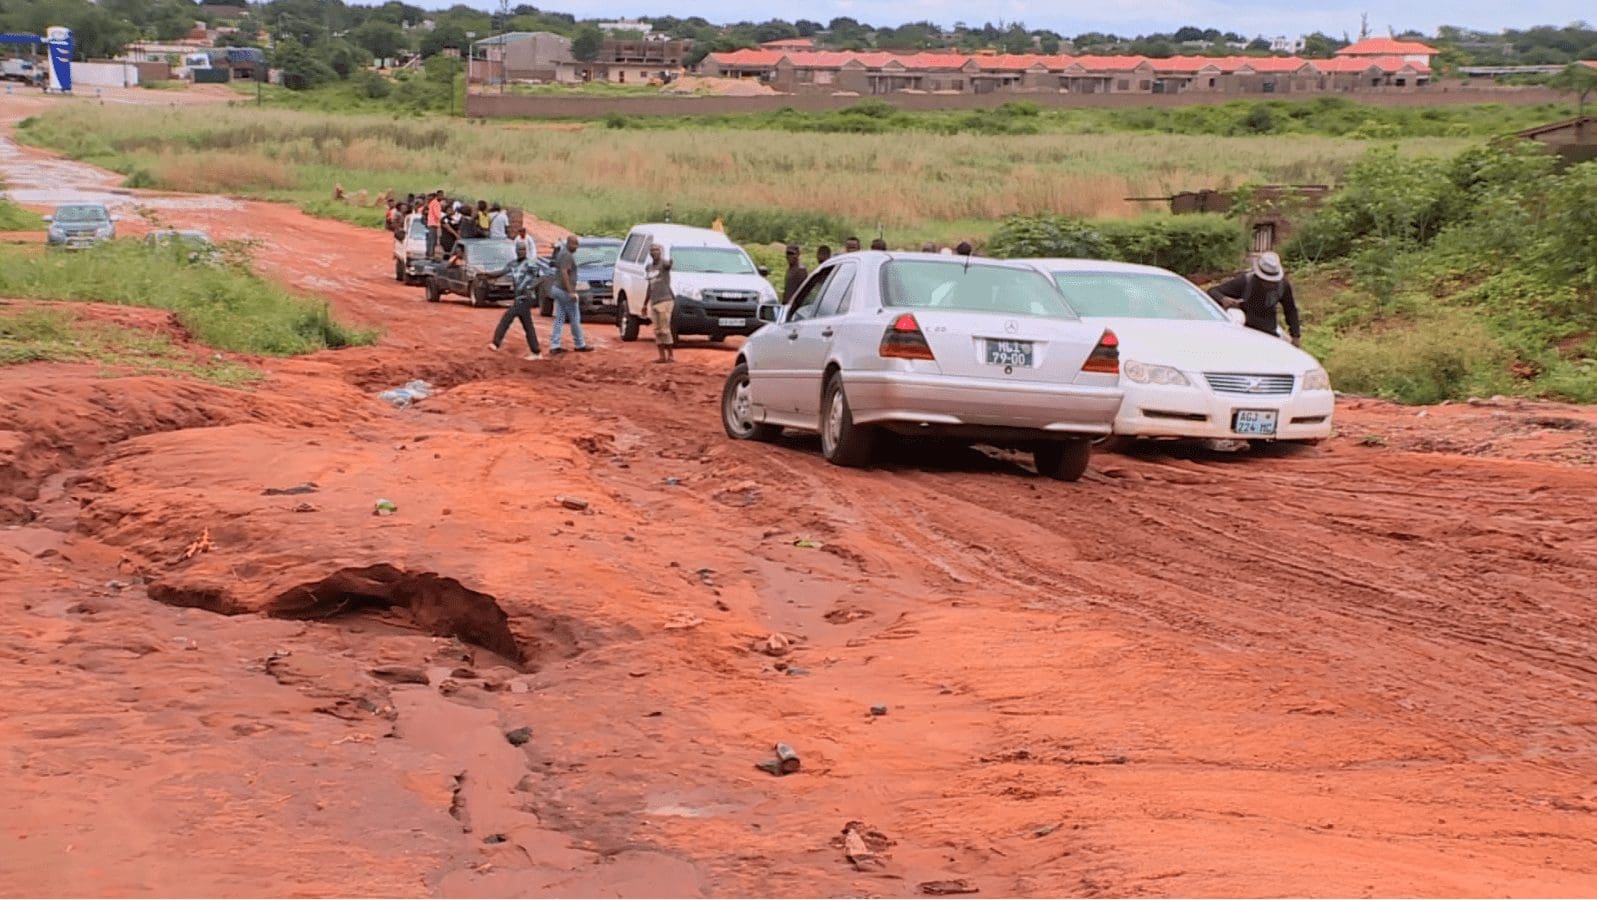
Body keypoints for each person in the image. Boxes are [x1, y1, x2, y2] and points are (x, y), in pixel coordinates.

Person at [1207, 251, 1301, 346]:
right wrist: (1223, 298)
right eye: (1266, 280)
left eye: (1272, 281)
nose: (1269, 284)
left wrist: (1295, 335)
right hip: (1245, 331)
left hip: (1269, 330)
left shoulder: (1283, 285)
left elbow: (1290, 310)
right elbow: (1213, 291)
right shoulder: (1245, 281)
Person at [484, 241, 546, 361]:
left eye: (523, 249)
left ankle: (496, 343)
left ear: (526, 251)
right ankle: (536, 351)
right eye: (519, 250)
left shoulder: (531, 264)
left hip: (526, 298)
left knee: (507, 317)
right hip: (518, 297)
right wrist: (487, 275)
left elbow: (542, 277)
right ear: (516, 251)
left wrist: (531, 286)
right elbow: (502, 272)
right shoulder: (513, 264)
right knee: (527, 325)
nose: (521, 252)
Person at [547, 235, 592, 354]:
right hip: (563, 290)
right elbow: (564, 273)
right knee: (575, 317)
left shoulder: (562, 253)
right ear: (569, 244)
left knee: (560, 317)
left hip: (557, 288)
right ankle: (579, 343)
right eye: (574, 244)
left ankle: (554, 344)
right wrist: (571, 292)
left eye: (577, 244)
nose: (576, 247)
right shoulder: (567, 255)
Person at [645, 243, 675, 364]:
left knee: (665, 328)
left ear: (661, 252)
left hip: (665, 300)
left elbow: (668, 266)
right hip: (654, 300)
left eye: (656, 250)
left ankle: (671, 355)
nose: (654, 252)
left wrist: (671, 262)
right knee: (657, 329)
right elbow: (649, 285)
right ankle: (662, 356)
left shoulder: (664, 264)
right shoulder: (649, 267)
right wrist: (645, 303)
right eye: (652, 250)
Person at [425, 191, 443, 259]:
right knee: (433, 240)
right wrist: (441, 218)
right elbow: (437, 214)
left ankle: (430, 254)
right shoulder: (435, 203)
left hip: (432, 223)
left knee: (431, 240)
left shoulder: (433, 203)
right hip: (434, 224)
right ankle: (431, 255)